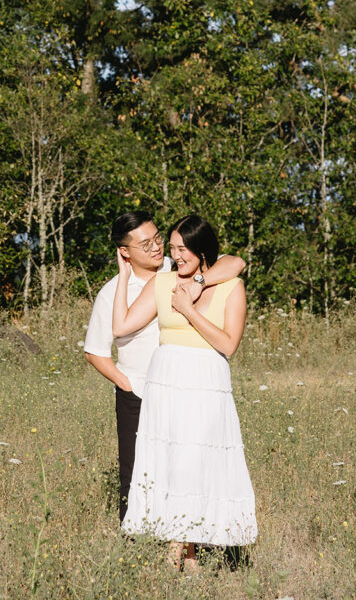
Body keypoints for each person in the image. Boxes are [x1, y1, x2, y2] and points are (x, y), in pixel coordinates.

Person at [112, 213, 257, 571]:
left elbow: (228, 344)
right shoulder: (163, 284)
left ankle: (174, 549)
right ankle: (189, 554)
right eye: (173, 249)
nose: (175, 255)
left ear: (201, 248)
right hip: (168, 381)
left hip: (206, 381)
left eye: (183, 248)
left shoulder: (229, 286)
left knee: (196, 460)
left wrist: (190, 309)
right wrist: (123, 276)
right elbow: (121, 327)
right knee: (174, 463)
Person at [84, 210, 245, 523]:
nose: (158, 248)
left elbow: (235, 263)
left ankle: (191, 539)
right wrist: (127, 384)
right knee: (138, 474)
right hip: (139, 391)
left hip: (186, 390)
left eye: (158, 238)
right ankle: (137, 551)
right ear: (125, 252)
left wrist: (198, 282)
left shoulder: (179, 266)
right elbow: (95, 351)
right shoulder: (112, 292)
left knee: (185, 469)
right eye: (146, 245)